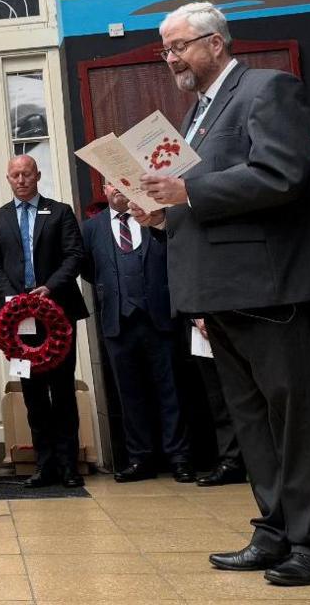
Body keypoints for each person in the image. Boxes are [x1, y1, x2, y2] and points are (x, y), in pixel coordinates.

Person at [133, 1, 310, 586]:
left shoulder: (266, 89)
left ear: (215, 44)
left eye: (178, 46)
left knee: (292, 418)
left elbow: (281, 174)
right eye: (166, 48)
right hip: (219, 292)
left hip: (268, 287)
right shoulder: (197, 113)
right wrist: (159, 211)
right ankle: (275, 531)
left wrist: (186, 191)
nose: (170, 57)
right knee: (251, 422)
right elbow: (203, 198)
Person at [0, 156, 91, 489]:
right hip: (19, 322)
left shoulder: (59, 212)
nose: (21, 179)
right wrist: (12, 297)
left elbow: (75, 255)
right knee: (32, 392)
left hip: (57, 314)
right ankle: (44, 465)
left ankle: (68, 465)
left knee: (61, 390)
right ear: (8, 179)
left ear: (37, 175)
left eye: (26, 173)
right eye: (15, 175)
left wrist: (50, 287)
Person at [81, 179, 193, 484]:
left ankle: (179, 457)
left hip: (159, 317)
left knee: (170, 391)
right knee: (130, 395)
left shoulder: (156, 216)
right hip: (118, 322)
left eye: (122, 182)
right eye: (109, 184)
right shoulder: (90, 229)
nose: (117, 188)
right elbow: (90, 270)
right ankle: (140, 458)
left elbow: (177, 254)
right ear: (102, 190)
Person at [191, 319, 247, 487]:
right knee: (218, 399)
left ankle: (263, 463)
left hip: (246, 320)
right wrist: (198, 317)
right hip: (204, 326)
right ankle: (231, 462)